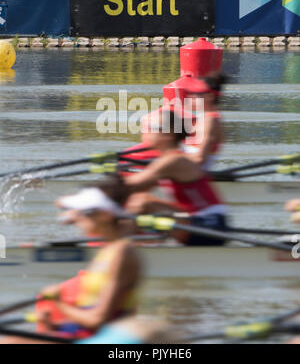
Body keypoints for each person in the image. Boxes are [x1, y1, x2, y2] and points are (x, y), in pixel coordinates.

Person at [0, 175, 141, 344]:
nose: (76, 217)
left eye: (83, 212)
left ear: (104, 215)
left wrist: (59, 303)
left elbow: (97, 320)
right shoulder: (109, 251)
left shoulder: (121, 254)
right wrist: (53, 325)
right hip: (91, 335)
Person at [125, 107, 228, 246]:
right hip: (196, 221)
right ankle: (140, 242)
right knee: (136, 200)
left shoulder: (173, 161)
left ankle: (124, 246)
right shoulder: (168, 160)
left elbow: (129, 185)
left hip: (210, 226)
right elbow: (138, 188)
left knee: (142, 202)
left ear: (168, 134)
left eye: (152, 127)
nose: (147, 131)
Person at [183, 73, 227, 170]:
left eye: (194, 94)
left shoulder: (210, 121)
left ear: (209, 96)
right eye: (189, 93)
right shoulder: (202, 118)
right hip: (186, 170)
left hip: (194, 174)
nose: (189, 97)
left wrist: (169, 159)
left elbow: (200, 158)